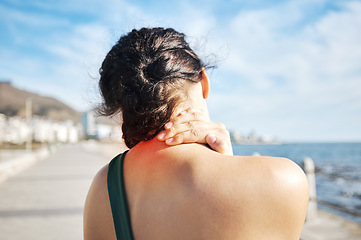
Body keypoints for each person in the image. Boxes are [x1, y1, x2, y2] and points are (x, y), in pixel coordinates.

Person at [83, 27, 309, 240]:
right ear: (203, 82)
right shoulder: (280, 179)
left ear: (121, 104)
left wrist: (225, 163)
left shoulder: (104, 187)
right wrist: (226, 165)